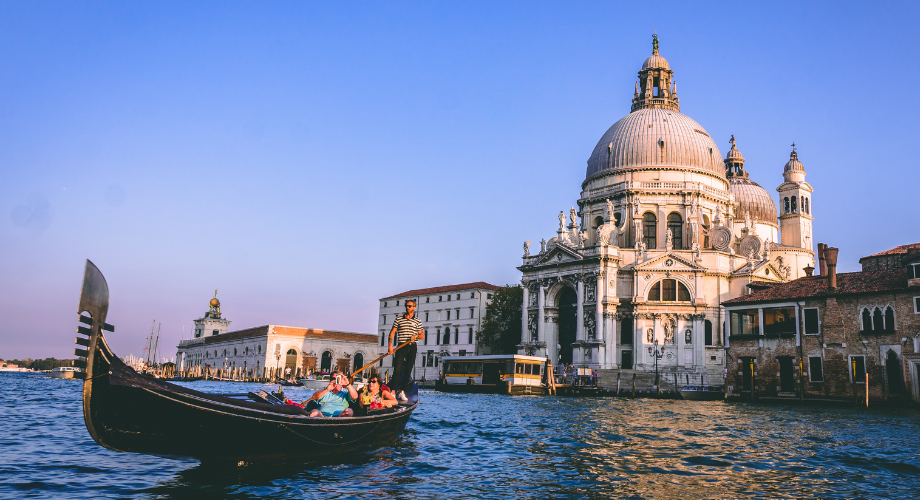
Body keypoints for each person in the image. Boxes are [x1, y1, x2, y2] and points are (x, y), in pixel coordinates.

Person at [388, 299, 424, 401]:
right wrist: (390, 346)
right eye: (406, 306)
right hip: (401, 346)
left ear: (414, 308)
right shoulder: (399, 319)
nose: (407, 307)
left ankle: (402, 392)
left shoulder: (417, 320)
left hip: (412, 347)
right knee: (397, 370)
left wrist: (416, 336)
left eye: (409, 306)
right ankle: (393, 392)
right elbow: (392, 333)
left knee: (408, 370)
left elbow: (422, 335)